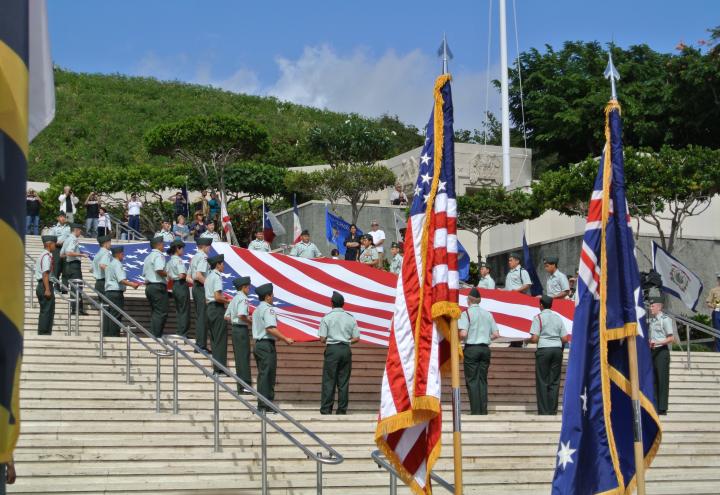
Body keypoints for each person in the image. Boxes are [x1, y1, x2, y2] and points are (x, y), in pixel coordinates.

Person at [252, 283, 294, 412]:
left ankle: (263, 403)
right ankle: (265, 404)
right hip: (266, 345)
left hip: (259, 345)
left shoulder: (257, 309)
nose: (273, 297)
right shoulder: (268, 309)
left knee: (263, 374)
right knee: (268, 375)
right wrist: (285, 338)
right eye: (272, 295)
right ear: (267, 296)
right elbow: (270, 328)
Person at [458, 288, 500, 415]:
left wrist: (457, 334)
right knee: (482, 380)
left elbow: (463, 333)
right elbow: (496, 334)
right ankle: (483, 410)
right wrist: (486, 338)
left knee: (472, 380)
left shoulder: (466, 314)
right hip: (485, 348)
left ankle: (476, 410)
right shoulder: (488, 314)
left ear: (469, 300)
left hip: (472, 348)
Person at [318, 291, 360, 414]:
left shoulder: (327, 317)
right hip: (346, 349)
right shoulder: (350, 318)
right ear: (343, 304)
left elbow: (322, 339)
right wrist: (347, 341)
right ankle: (342, 410)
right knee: (343, 381)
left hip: (332, 349)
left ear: (332, 303)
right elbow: (357, 338)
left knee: (329, 380)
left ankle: (326, 409)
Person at [527, 295, 569, 415]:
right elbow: (565, 338)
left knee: (542, 380)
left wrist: (527, 341)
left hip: (544, 349)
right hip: (556, 350)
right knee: (554, 381)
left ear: (541, 305)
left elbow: (535, 338)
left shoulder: (538, 318)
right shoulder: (558, 318)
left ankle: (544, 410)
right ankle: (552, 410)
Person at [104, 246, 141, 336]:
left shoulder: (110, 264)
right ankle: (114, 335)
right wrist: (132, 285)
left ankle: (107, 334)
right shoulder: (117, 264)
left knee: (108, 315)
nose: (123, 256)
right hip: (116, 293)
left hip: (109, 292)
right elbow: (121, 280)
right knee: (116, 315)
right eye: (122, 254)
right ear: (119, 254)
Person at [225, 276, 253, 393]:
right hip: (241, 329)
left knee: (239, 357)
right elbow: (242, 315)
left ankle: (240, 385)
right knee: (244, 357)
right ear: (243, 287)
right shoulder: (243, 299)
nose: (249, 289)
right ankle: (245, 385)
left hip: (235, 329)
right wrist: (252, 321)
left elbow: (226, 316)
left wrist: (235, 319)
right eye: (248, 287)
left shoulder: (234, 298)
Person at [649, 299, 674, 415]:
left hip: (662, 351)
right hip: (653, 351)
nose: (650, 308)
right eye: (650, 306)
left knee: (662, 379)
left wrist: (657, 343)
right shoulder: (652, 321)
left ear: (659, 307)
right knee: (654, 379)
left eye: (652, 306)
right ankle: (655, 405)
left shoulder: (665, 319)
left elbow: (671, 338)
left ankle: (662, 408)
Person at [205, 254, 228, 373]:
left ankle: (217, 367)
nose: (223, 266)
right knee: (220, 339)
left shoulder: (209, 277)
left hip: (209, 308)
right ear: (218, 265)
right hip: (217, 308)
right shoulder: (217, 277)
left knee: (214, 339)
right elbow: (218, 297)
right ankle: (220, 369)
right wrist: (228, 301)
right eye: (222, 263)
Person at [188, 237, 213, 352]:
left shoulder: (194, 257)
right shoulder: (203, 257)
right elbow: (199, 275)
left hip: (196, 287)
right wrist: (208, 287)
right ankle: (201, 345)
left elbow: (189, 277)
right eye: (209, 246)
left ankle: (199, 343)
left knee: (199, 316)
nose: (210, 248)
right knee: (203, 317)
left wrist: (196, 285)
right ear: (205, 246)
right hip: (201, 288)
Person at [142, 236, 168, 338]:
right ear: (159, 245)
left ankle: (153, 333)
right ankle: (156, 335)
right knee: (161, 312)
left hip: (150, 286)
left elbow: (145, 273)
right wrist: (168, 274)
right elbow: (159, 269)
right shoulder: (159, 256)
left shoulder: (148, 257)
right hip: (158, 286)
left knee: (155, 312)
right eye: (163, 243)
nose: (164, 245)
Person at [60, 223, 88, 315]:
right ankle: (77, 309)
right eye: (80, 231)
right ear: (76, 230)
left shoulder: (67, 239)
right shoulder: (73, 239)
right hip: (74, 265)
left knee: (73, 288)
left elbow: (61, 254)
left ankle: (74, 308)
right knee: (77, 287)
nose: (80, 232)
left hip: (68, 265)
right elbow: (69, 252)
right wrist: (81, 254)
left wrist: (71, 255)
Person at [167, 240, 190, 337]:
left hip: (174, 285)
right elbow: (181, 275)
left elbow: (168, 276)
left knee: (179, 310)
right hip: (181, 285)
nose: (183, 250)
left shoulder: (170, 261)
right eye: (182, 248)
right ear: (177, 249)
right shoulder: (178, 260)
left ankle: (180, 330)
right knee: (184, 310)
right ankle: (183, 332)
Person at [35, 235, 57, 334]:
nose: (55, 246)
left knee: (46, 310)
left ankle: (44, 332)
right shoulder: (46, 256)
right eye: (54, 244)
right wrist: (47, 289)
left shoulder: (42, 255)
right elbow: (45, 273)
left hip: (42, 284)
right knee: (47, 311)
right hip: (45, 285)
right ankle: (44, 333)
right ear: (49, 244)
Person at [50, 212, 71, 289]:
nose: (62, 218)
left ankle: (65, 287)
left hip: (66, 249)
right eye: (61, 217)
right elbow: (51, 239)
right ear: (58, 218)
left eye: (64, 217)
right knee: (56, 268)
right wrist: (56, 243)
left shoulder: (69, 228)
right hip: (56, 249)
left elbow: (70, 238)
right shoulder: (54, 228)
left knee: (66, 268)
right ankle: (56, 286)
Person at [706, 273, 720, 352]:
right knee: (717, 332)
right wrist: (715, 306)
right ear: (718, 280)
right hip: (717, 312)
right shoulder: (713, 290)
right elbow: (708, 302)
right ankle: (718, 351)